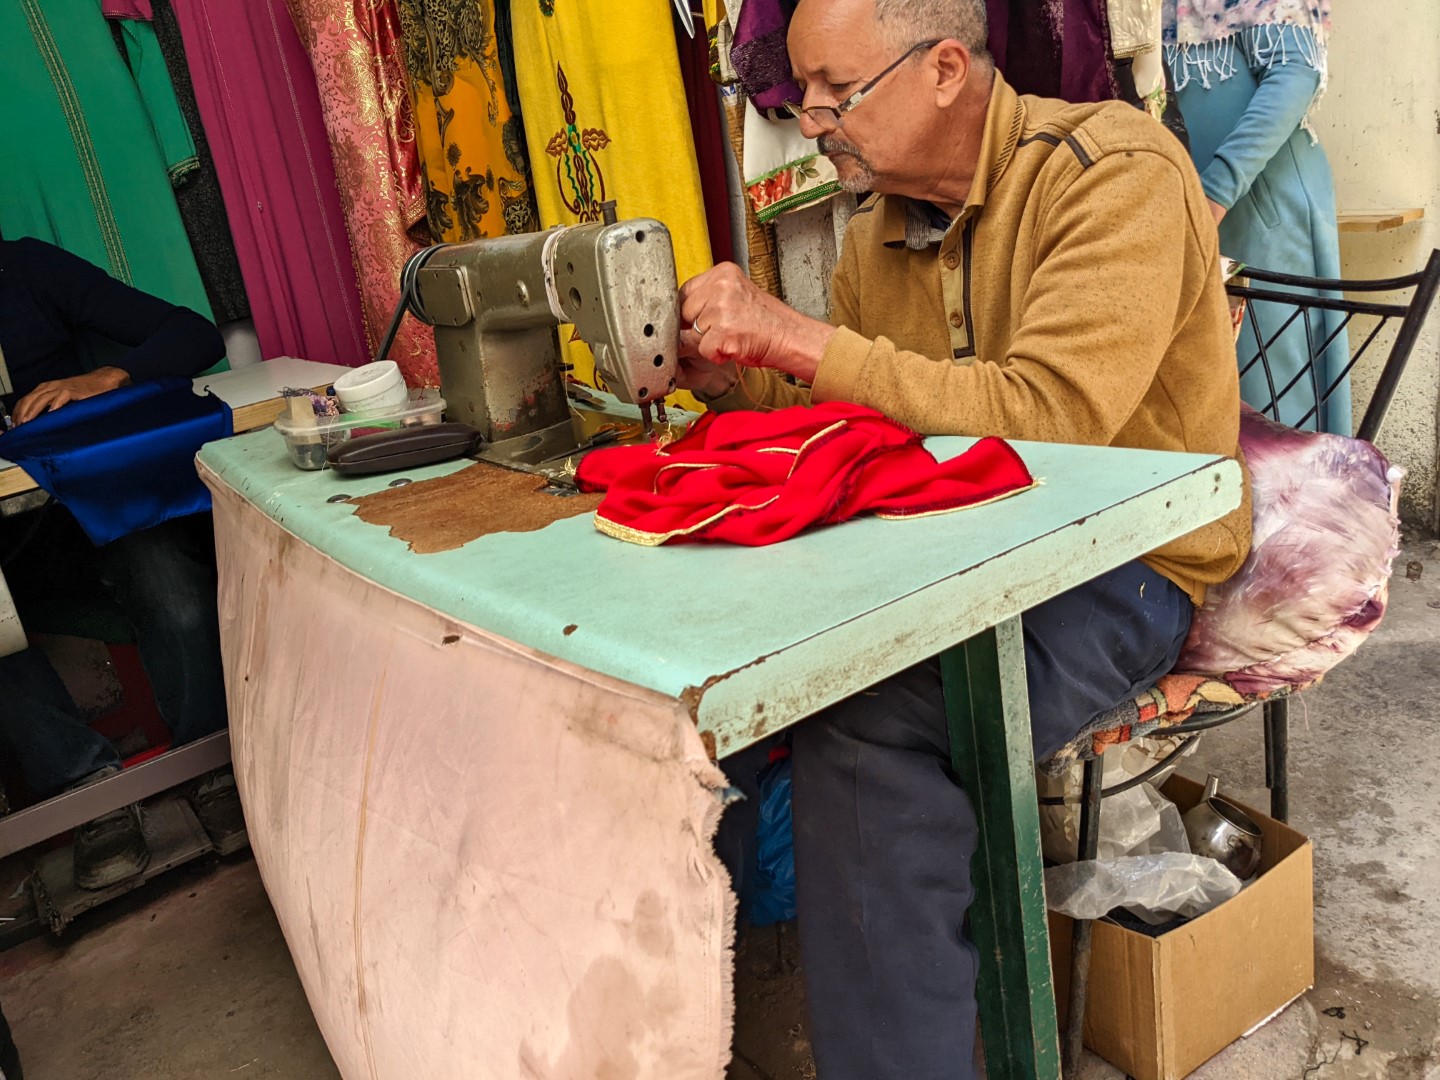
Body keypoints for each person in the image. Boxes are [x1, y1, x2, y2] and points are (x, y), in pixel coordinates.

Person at [678, 1, 1252, 1076]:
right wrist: (737, 377)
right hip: (960, 551)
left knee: (871, 720)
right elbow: (856, 419)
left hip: (1126, 564)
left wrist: (802, 341)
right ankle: (754, 990)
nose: (810, 120)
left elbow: (1052, 415)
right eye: (804, 93)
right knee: (724, 671)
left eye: (835, 92)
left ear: (945, 68)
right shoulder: (875, 234)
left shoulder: (1112, 172)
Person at [0, 235, 235, 891]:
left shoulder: (26, 269)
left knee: (173, 589)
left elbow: (192, 334)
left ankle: (213, 762)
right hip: (14, 546)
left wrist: (104, 378)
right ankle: (86, 793)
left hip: (102, 506)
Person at [1164, 0, 1347, 433]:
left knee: (1273, 414)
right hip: (1181, 218)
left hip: (1259, 215)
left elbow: (1296, 72)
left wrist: (1214, 193)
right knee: (1190, 416)